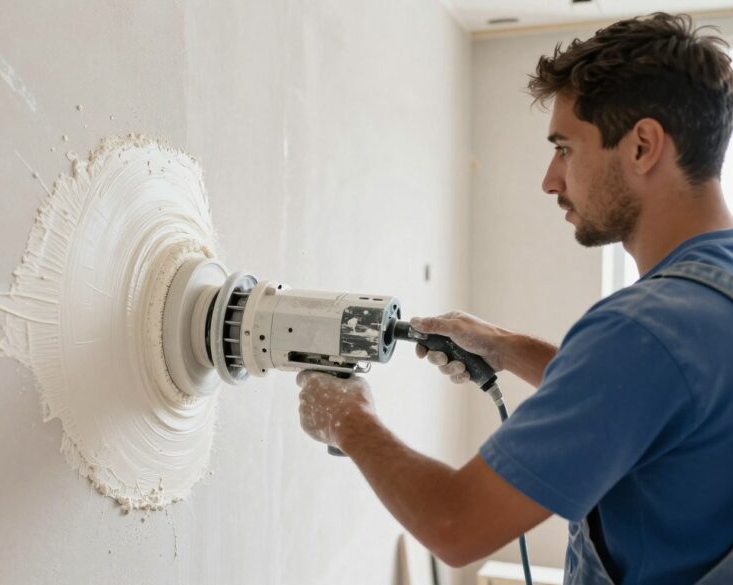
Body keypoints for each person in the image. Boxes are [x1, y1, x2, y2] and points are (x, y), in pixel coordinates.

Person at [297, 13, 733, 584]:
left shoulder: (642, 331)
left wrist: (347, 420)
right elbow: (658, 397)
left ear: (643, 145)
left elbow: (455, 524)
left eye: (565, 148)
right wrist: (504, 348)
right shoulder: (701, 308)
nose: (550, 180)